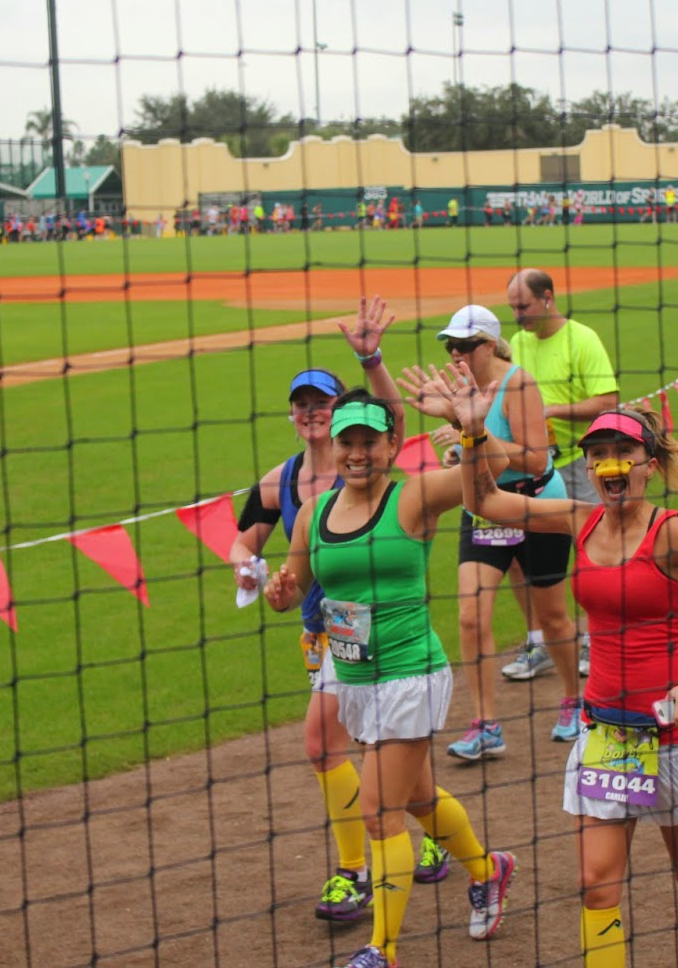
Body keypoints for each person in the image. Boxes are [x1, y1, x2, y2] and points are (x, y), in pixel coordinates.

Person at [449, 393, 678, 968]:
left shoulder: (673, 533)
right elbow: (485, 502)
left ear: (650, 464)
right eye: (598, 454)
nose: (609, 463)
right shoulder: (578, 518)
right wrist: (473, 435)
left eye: (623, 451)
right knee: (596, 885)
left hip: (675, 735)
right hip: (608, 734)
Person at [263, 391, 519, 968]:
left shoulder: (414, 497)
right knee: (419, 798)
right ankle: (488, 870)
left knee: (380, 811)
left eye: (369, 442)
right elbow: (294, 589)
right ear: (334, 446)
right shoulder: (314, 513)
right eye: (347, 442)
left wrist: (469, 427)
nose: (357, 453)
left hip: (409, 677)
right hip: (353, 678)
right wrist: (280, 594)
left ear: (391, 445)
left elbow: (495, 471)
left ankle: (384, 949)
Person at [230, 302, 453, 926]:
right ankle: (469, 854)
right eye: (300, 404)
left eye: (320, 403)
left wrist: (370, 358)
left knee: (326, 746)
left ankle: (354, 872)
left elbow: (394, 420)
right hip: (325, 634)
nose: (310, 412)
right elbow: (246, 542)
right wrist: (256, 574)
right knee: (397, 772)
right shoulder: (282, 481)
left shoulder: (371, 466)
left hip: (386, 637)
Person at [397, 305, 582, 759]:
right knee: (470, 616)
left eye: (465, 345)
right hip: (483, 508)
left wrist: (470, 430)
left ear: (490, 345)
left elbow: (536, 459)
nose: (455, 353)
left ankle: (575, 701)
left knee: (553, 617)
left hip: (536, 505)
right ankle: (486, 724)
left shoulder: (518, 384)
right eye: (450, 345)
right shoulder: (464, 389)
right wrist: (463, 444)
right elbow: (478, 447)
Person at [504, 269, 620, 678]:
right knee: (518, 555)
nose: (518, 315)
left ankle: (594, 640)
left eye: (523, 306)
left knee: (593, 551)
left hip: (578, 463)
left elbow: (608, 401)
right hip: (530, 467)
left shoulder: (582, 339)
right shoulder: (517, 343)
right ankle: (539, 642)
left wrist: (550, 410)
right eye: (512, 308)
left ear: (548, 297)